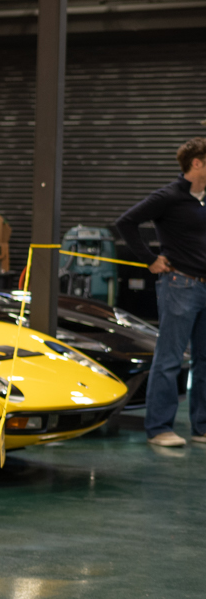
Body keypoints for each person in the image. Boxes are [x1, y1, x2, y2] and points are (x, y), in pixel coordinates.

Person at [114, 137, 206, 447]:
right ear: (197, 163)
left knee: (204, 360)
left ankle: (201, 427)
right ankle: (159, 428)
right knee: (169, 358)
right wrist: (150, 259)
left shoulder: (203, 199)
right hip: (180, 285)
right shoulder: (168, 196)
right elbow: (126, 223)